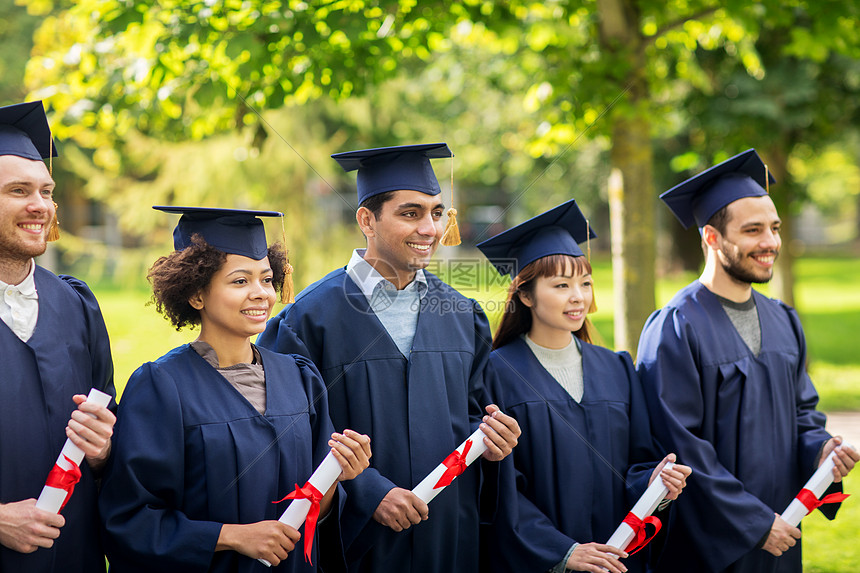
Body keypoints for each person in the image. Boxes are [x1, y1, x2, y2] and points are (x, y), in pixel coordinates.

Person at [258, 143, 521, 573]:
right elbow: (290, 435)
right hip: (357, 541)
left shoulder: (461, 313)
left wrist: (490, 439)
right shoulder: (308, 319)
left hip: (446, 538)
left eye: (437, 213)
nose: (430, 228)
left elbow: (472, 412)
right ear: (367, 219)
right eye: (410, 213)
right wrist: (367, 491)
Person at [99, 206, 372, 573]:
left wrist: (339, 476)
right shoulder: (162, 387)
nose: (261, 294)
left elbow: (316, 509)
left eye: (266, 279)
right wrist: (229, 536)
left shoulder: (300, 378)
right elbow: (130, 517)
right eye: (240, 281)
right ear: (196, 294)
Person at [636, 149, 858, 573]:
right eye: (753, 230)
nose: (770, 242)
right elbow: (681, 449)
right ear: (713, 238)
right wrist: (756, 525)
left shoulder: (783, 319)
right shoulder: (676, 327)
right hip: (709, 549)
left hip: (782, 533)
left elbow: (802, 416)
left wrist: (821, 451)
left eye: (774, 228)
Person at [476, 199, 691, 573]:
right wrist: (563, 551)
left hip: (617, 558)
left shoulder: (617, 367)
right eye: (561, 285)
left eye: (585, 283)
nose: (578, 296)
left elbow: (638, 460)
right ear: (525, 296)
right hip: (540, 559)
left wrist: (655, 483)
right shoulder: (496, 373)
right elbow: (500, 487)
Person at [0, 100, 116, 572]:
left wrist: (105, 447)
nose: (40, 206)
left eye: (46, 191)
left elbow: (110, 435)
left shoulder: (77, 305)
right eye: (18, 190)